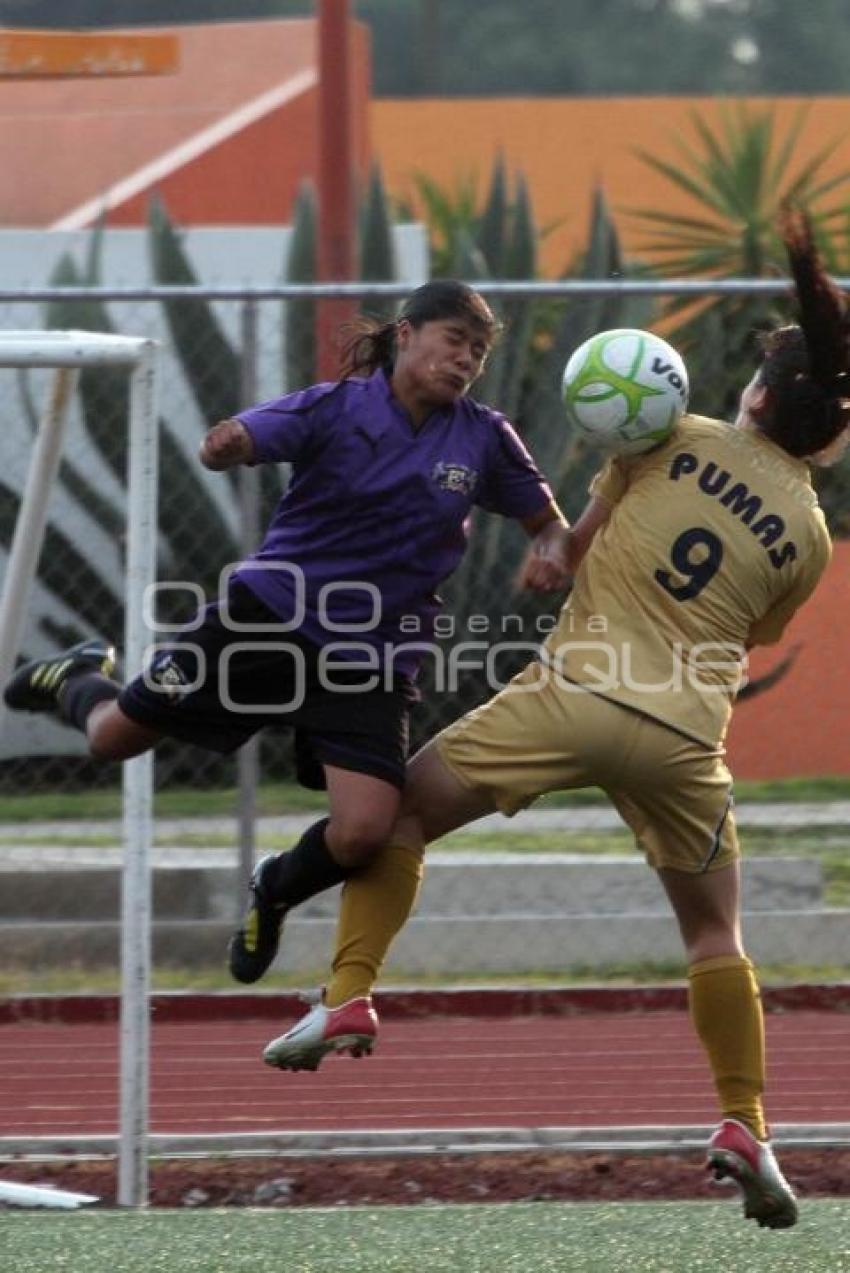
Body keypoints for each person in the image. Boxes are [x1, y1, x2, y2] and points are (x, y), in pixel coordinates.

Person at [259, 208, 850, 1231]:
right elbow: (751, 633)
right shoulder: (809, 532)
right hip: (680, 740)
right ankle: (744, 1122)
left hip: (570, 697)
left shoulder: (667, 438)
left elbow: (568, 547)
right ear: (834, 437)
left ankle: (350, 992)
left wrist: (555, 556)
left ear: (750, 393)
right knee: (715, 931)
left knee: (397, 818)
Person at [3, 280, 568, 984]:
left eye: (478, 351)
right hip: (267, 620)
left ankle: (273, 888)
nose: (466, 360)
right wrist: (228, 445)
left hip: (374, 653)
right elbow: (242, 436)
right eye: (454, 340)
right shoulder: (335, 407)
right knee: (113, 738)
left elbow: (548, 522)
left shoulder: (483, 435)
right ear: (405, 334)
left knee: (363, 832)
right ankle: (78, 674)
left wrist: (549, 546)